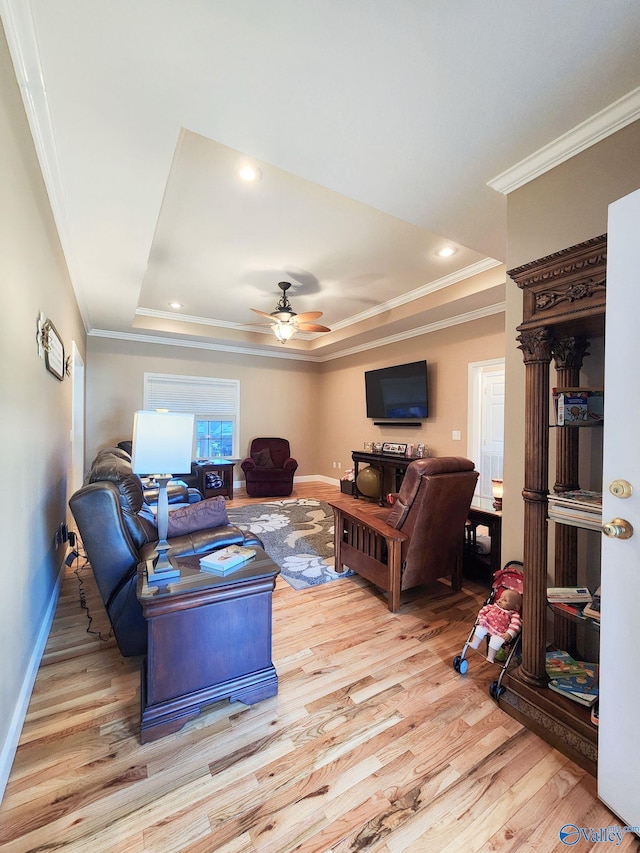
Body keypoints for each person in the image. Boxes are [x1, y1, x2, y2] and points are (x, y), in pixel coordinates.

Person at [469, 588, 523, 662]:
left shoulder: (513, 614)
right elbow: (484, 610)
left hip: (500, 633)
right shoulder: (493, 606)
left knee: (496, 641)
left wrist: (509, 633)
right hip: (487, 625)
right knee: (479, 629)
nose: (500, 600)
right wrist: (482, 618)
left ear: (516, 607)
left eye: (505, 600)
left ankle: (491, 656)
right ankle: (475, 642)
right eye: (500, 598)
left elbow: (516, 625)